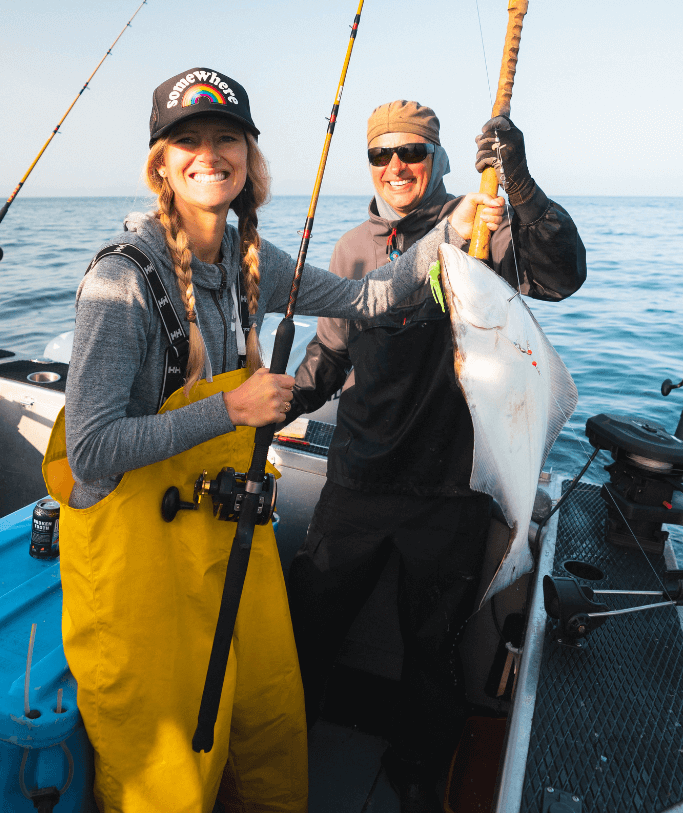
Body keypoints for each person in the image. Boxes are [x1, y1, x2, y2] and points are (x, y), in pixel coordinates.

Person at [42, 71, 504, 813]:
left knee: (267, 717)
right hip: (137, 563)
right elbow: (93, 449)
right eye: (185, 141)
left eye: (226, 138)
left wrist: (449, 234)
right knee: (161, 758)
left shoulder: (253, 261)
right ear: (159, 163)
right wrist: (231, 408)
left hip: (226, 537)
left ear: (249, 159)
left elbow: (370, 298)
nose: (207, 154)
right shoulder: (120, 281)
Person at [285, 99, 587, 813]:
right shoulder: (355, 248)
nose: (396, 168)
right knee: (309, 627)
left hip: (451, 492)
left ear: (437, 159)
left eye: (411, 154)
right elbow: (328, 351)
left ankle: (417, 766)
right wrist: (268, 417)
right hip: (357, 481)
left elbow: (563, 274)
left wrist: (517, 181)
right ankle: (283, 743)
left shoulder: (486, 227)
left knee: (433, 649)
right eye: (380, 155)